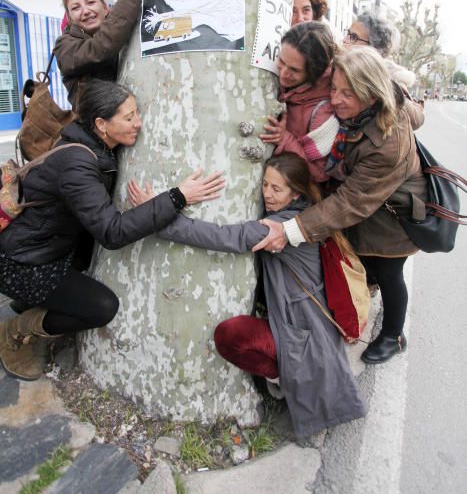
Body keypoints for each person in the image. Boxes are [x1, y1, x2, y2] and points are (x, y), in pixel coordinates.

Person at [128, 152, 367, 443]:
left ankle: (286, 380)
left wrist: (154, 215)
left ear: (296, 193)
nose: (267, 194)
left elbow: (224, 236)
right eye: (264, 184)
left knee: (232, 335)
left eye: (276, 189)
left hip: (304, 331)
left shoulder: (286, 227)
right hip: (294, 322)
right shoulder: (299, 213)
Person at [0, 79, 224, 381]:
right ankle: (15, 332)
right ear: (101, 124)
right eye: (129, 117)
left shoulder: (90, 144)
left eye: (137, 114)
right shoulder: (77, 162)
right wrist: (177, 197)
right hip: (23, 261)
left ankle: (30, 301)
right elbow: (112, 232)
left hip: (45, 244)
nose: (139, 124)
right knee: (101, 308)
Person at [253, 47, 428, 365]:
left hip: (394, 219)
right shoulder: (360, 112)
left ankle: (393, 335)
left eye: (348, 93)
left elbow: (351, 202)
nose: (335, 99)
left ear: (372, 94)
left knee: (389, 273)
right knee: (364, 267)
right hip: (368, 207)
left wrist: (292, 229)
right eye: (334, 88)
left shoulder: (388, 140)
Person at [55, 0, 163, 108]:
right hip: (93, 128)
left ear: (106, 9)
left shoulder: (114, 28)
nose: (85, 11)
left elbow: (113, 26)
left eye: (91, 2)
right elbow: (100, 47)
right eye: (75, 8)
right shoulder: (64, 47)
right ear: (70, 18)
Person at [260, 23, 339, 182]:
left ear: (314, 72)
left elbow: (320, 174)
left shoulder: (323, 113)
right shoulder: (283, 83)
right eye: (281, 61)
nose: (283, 73)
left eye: (294, 70)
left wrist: (284, 139)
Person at [344, 11, 417, 93]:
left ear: (374, 48)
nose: (344, 40)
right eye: (347, 33)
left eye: (354, 37)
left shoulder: (390, 86)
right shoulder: (342, 69)